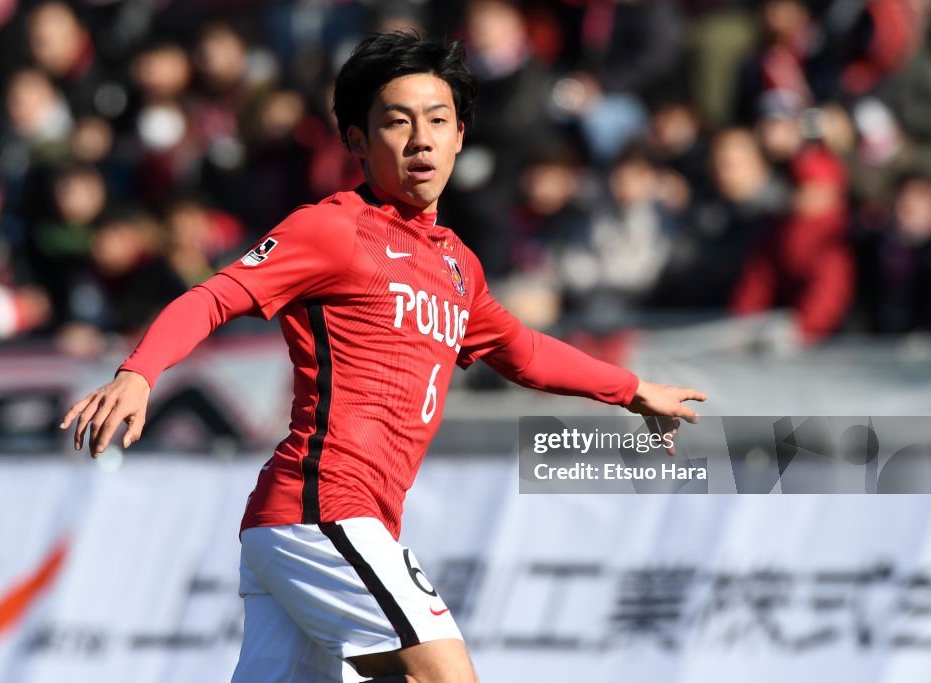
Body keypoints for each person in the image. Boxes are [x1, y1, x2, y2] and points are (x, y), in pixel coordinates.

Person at [60, 31, 706, 683]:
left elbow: (522, 350)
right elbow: (214, 296)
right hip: (322, 506)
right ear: (356, 142)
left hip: (313, 523)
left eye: (438, 121)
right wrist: (138, 372)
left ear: (460, 136)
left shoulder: (458, 265)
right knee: (445, 675)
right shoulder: (332, 229)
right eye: (396, 123)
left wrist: (631, 388)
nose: (420, 140)